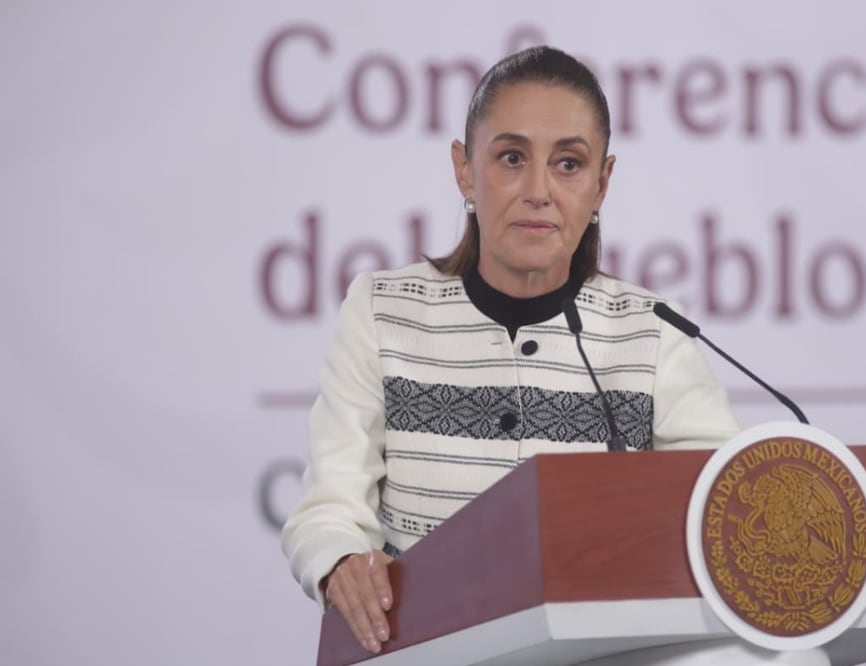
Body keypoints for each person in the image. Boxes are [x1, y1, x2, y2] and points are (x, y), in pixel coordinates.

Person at [281, 45, 741, 655]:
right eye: (512, 157)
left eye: (569, 164)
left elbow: (730, 510)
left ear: (603, 182)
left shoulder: (651, 334)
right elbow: (328, 507)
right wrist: (340, 559)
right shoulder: (383, 312)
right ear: (465, 170)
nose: (539, 190)